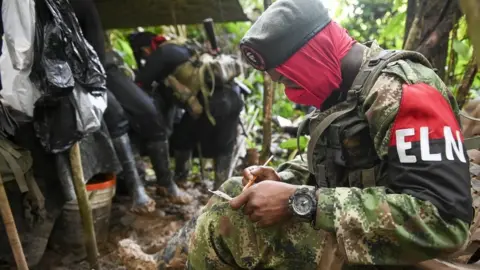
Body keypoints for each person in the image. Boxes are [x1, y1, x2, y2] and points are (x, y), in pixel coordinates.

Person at [159, 0, 477, 268]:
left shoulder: (404, 90)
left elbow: (445, 222)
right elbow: (345, 162)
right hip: (367, 234)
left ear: (315, 56)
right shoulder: (344, 88)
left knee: (225, 225)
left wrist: (302, 200)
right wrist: (283, 179)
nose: (289, 95)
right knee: (232, 195)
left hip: (409, 254)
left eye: (290, 81)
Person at [70, 0, 190, 212]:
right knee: (115, 114)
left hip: (102, 65)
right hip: (71, 72)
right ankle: (137, 191)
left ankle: (166, 183)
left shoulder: (84, 5)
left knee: (149, 111)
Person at [135, 35, 244, 189]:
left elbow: (141, 83)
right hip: (233, 97)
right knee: (225, 143)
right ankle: (222, 188)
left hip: (209, 103)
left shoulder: (161, 54)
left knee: (182, 138)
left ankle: (181, 180)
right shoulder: (186, 45)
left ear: (145, 49)